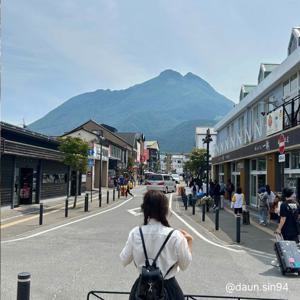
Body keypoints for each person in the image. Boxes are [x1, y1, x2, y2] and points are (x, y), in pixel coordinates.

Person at [120, 190, 193, 299]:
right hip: (169, 289)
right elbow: (185, 265)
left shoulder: (136, 233)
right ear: (165, 210)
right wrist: (190, 241)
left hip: (142, 290)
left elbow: (124, 260)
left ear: (144, 209)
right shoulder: (175, 236)